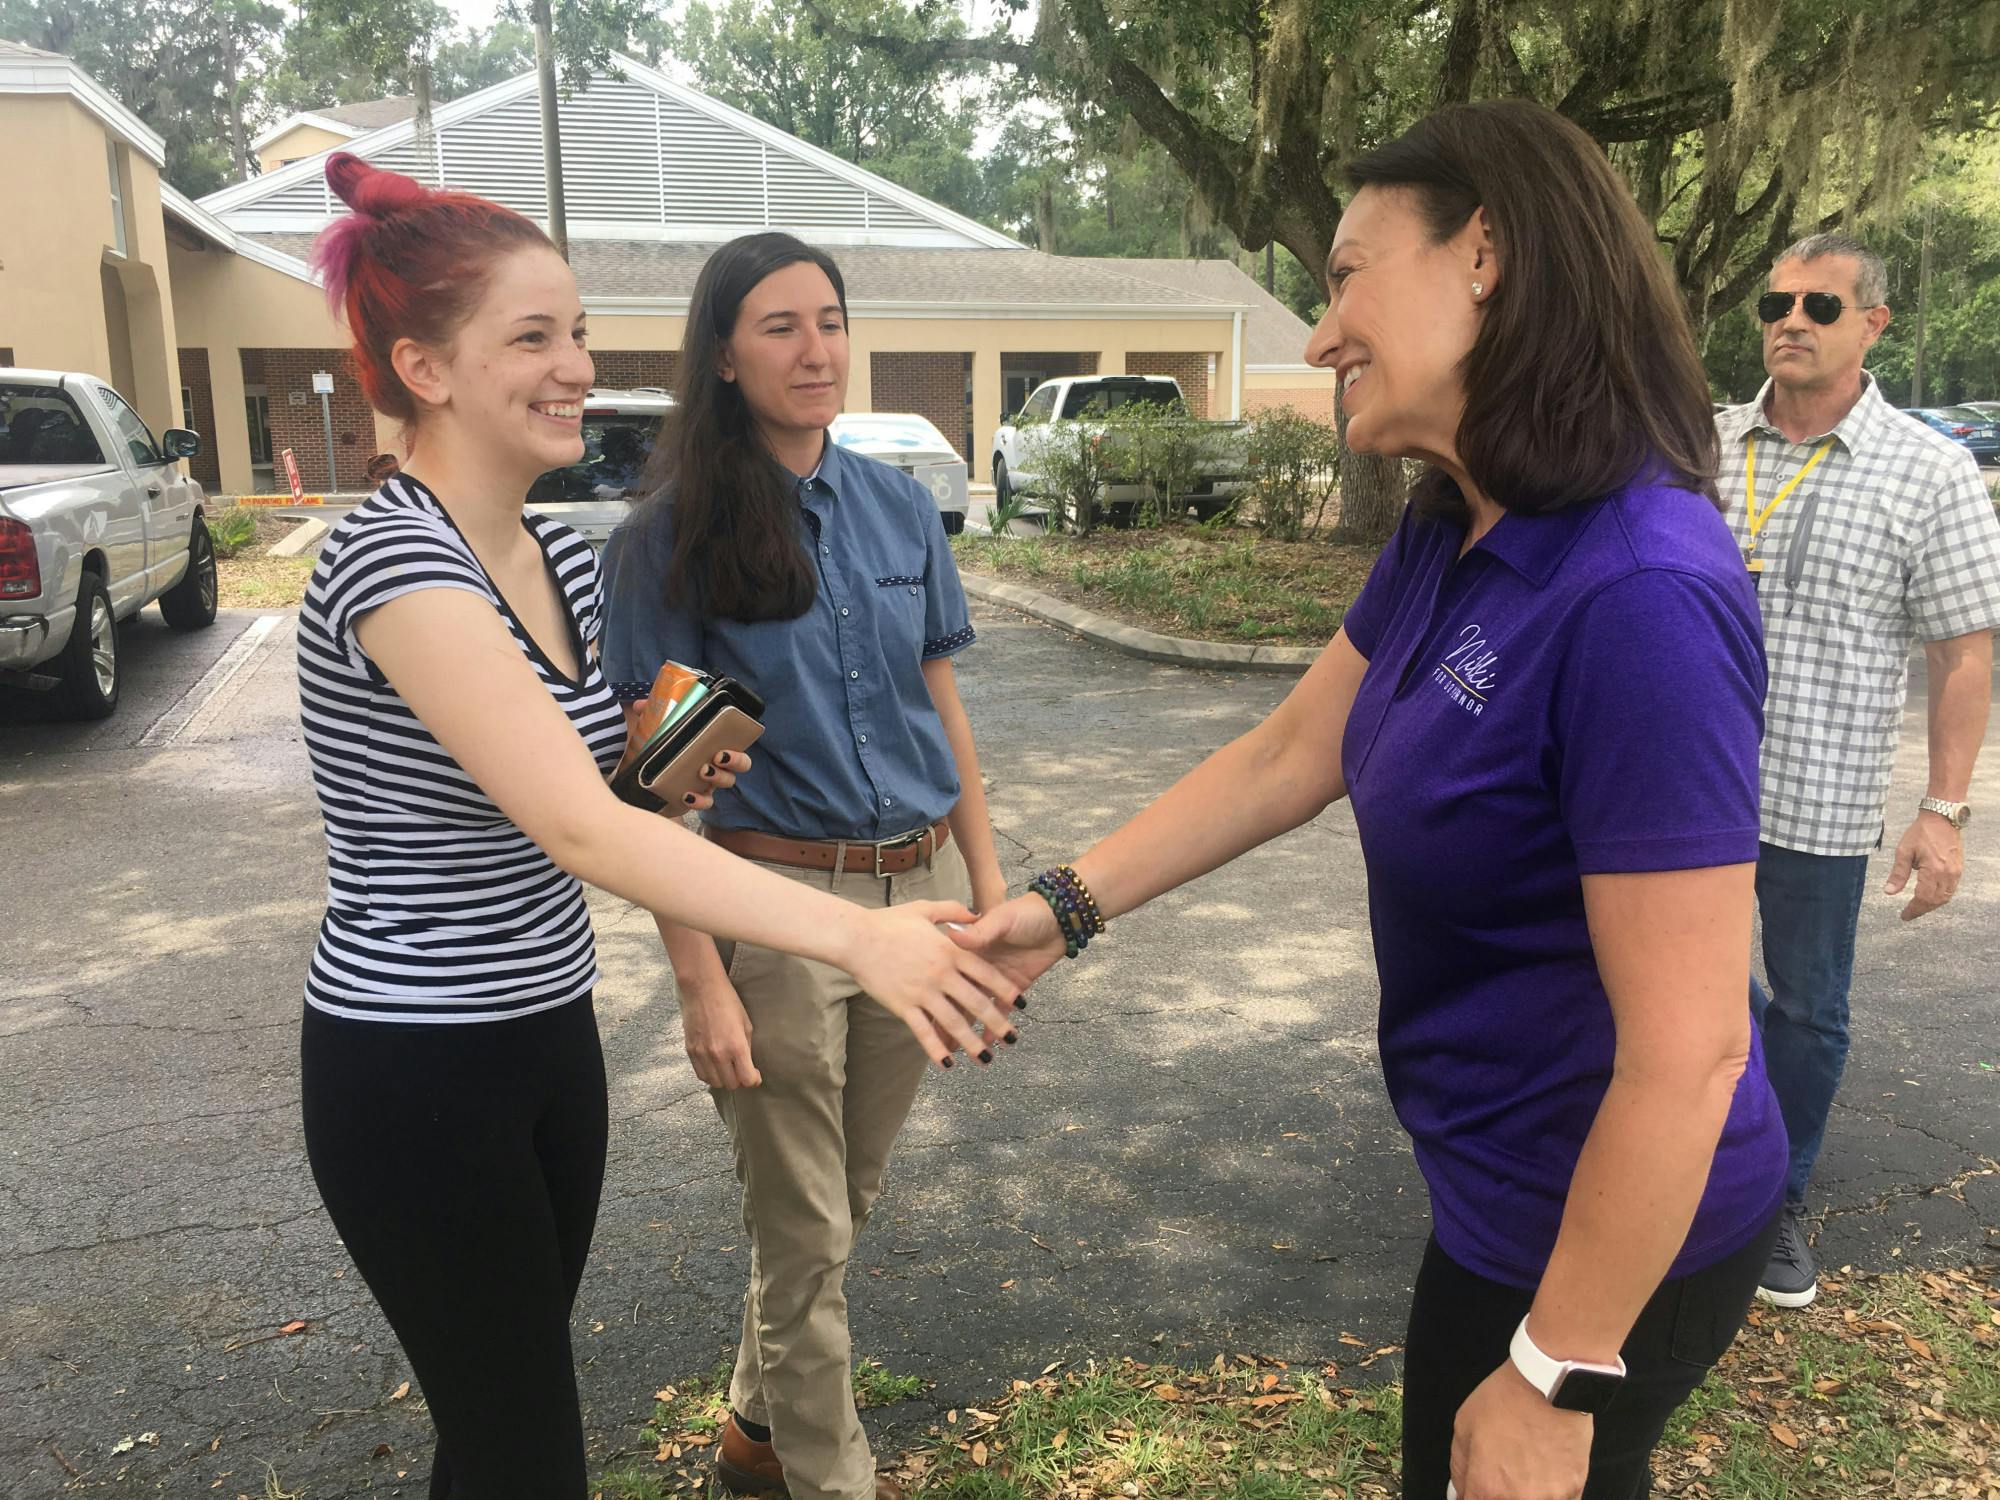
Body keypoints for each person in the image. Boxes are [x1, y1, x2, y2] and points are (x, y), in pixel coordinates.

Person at [958, 100, 1789, 1500]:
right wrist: (1061, 908)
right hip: (1497, 1194)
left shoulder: (1640, 590)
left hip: (1613, 1241)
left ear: (1490, 257)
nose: (1319, 333)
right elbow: (1296, 750)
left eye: (1345, 274)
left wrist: (1556, 1371)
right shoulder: (1460, 524)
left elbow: (1692, 1053)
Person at [297, 158, 1022, 1500]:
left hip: (543, 1036)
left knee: (503, 1424)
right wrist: (845, 943)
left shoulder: (558, 558)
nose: (577, 364)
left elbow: (620, 797)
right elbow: (581, 831)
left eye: (576, 331)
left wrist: (678, 767)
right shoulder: (393, 560)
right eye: (534, 336)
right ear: (425, 367)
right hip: (415, 1066)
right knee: (527, 1451)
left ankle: (752, 1429)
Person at [600, 232, 1007, 1500]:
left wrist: (993, 899)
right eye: (777, 325)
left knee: (843, 1199)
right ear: (721, 354)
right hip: (774, 915)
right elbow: (654, 796)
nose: (813, 348)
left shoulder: (896, 507)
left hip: (920, 899)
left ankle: (749, 1434)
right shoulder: (668, 539)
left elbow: (940, 702)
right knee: (806, 1225)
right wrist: (699, 981)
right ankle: (828, 1479)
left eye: (827, 320)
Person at [1715, 233, 2000, 1309]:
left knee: (1806, 1008)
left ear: (1873, 324)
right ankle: (1681, 1151)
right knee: (1655, 970)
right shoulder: (1700, 445)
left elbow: (1959, 651)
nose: (1789, 319)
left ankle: (1771, 1203)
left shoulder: (1925, 470)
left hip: (1816, 793)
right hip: (1681, 783)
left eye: (1819, 306)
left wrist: (1941, 811)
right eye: (1774, 301)